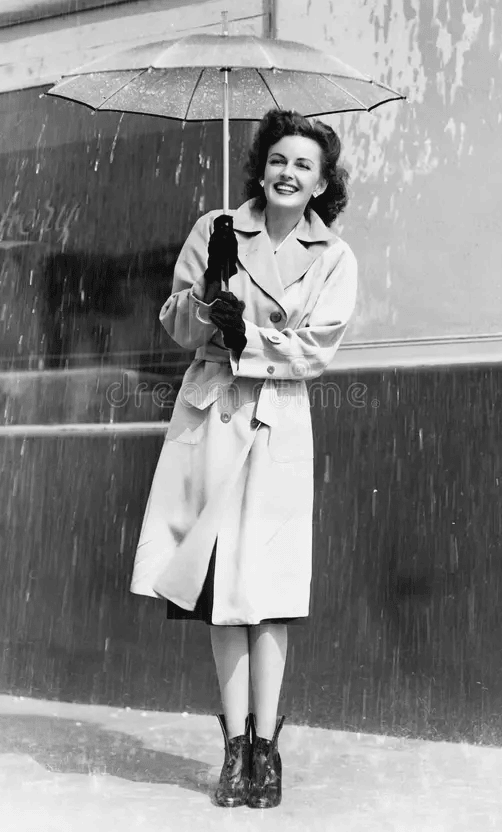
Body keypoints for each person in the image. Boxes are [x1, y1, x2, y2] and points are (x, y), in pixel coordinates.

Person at [130, 108, 358, 809]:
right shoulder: (216, 229)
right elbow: (174, 323)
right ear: (260, 167)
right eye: (278, 160)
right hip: (210, 421)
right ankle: (233, 749)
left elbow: (317, 349)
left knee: (268, 593)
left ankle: (268, 747)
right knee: (216, 595)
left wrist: (246, 335)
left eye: (304, 166)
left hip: (277, 424)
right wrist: (207, 301)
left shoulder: (334, 258)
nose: (288, 174)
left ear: (321, 184)